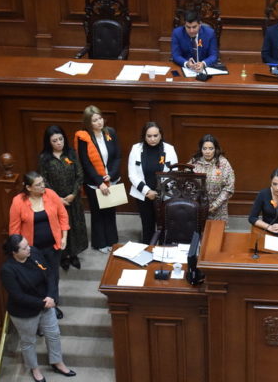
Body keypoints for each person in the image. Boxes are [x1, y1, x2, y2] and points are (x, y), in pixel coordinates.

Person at [0, 234, 76, 382]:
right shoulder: (8, 270)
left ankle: (57, 362)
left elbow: (50, 274)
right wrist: (43, 303)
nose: (29, 248)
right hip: (24, 312)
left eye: (28, 245)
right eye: (24, 248)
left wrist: (51, 296)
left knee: (53, 334)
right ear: (14, 252)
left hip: (46, 303)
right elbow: (18, 296)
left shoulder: (34, 252)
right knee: (28, 341)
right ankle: (34, 368)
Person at [9, 171, 69, 319]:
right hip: (32, 250)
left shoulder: (50, 194)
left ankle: (53, 305)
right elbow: (14, 230)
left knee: (53, 276)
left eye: (43, 183)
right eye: (38, 185)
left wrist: (64, 237)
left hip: (53, 247)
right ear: (28, 188)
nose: (43, 186)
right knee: (37, 279)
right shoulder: (18, 201)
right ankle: (40, 308)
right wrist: (18, 250)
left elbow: (63, 215)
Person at [38, 125, 88, 271]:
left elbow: (80, 175)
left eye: (61, 139)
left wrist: (73, 194)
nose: (59, 143)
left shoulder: (71, 153)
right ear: (49, 142)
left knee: (74, 226)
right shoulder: (44, 158)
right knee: (59, 228)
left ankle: (73, 254)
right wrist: (58, 198)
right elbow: (44, 181)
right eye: (55, 140)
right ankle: (63, 256)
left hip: (73, 199)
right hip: (55, 201)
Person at [74, 105, 121, 253]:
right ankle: (100, 243)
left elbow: (117, 156)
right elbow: (85, 162)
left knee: (110, 211)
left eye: (100, 118)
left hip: (111, 179)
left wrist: (111, 174)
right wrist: (99, 182)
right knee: (98, 213)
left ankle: (112, 241)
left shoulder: (111, 132)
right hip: (94, 183)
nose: (99, 122)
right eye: (95, 120)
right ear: (88, 123)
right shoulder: (84, 138)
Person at [128, 122, 178, 243]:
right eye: (149, 136)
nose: (152, 139)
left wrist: (160, 191)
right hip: (143, 195)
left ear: (161, 135)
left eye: (155, 135)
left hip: (163, 195)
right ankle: (147, 248)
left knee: (163, 226)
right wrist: (147, 191)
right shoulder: (136, 149)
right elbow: (132, 174)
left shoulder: (169, 149)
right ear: (144, 136)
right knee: (147, 225)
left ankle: (162, 249)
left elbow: (174, 173)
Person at [188, 134, 235, 222]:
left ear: (216, 149)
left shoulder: (223, 163)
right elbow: (187, 184)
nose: (207, 152)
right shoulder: (194, 162)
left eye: (211, 148)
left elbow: (229, 187)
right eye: (204, 148)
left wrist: (215, 205)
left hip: (218, 209)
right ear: (201, 149)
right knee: (198, 234)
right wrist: (195, 203)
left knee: (215, 234)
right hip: (197, 207)